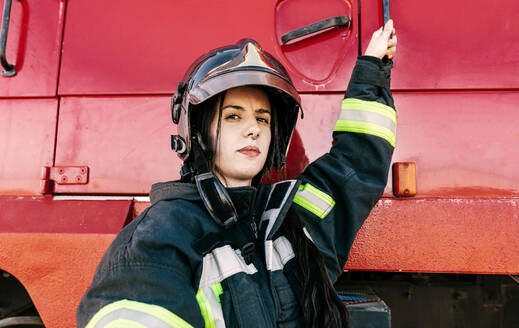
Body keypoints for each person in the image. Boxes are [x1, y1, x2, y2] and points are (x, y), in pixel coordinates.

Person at [77, 20, 398, 328]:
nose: (252, 130)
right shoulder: (159, 240)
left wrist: (372, 69)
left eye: (263, 119)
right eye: (233, 116)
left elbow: (356, 164)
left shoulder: (292, 221)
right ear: (198, 132)